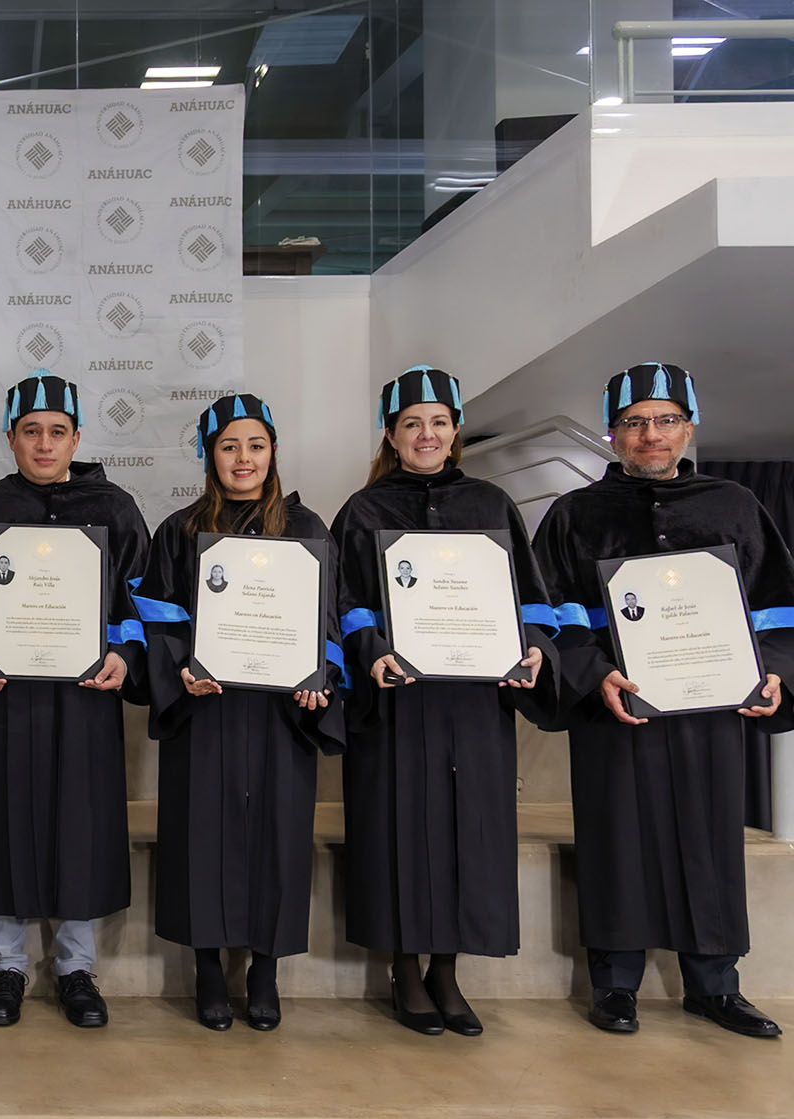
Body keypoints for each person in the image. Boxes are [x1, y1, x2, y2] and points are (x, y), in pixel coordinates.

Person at [532, 362, 794, 1038]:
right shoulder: (573, 516)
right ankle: (614, 984)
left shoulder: (734, 506)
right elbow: (547, 619)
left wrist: (772, 674)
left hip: (711, 711)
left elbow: (776, 610)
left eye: (666, 420)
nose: (651, 435)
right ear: (613, 433)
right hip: (620, 710)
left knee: (709, 839)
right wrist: (594, 676)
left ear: (689, 426)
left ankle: (714, 985)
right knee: (617, 839)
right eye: (635, 422)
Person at [329, 365, 558, 1037]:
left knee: (468, 832)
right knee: (399, 828)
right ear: (392, 435)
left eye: (437, 422)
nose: (425, 435)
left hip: (474, 703)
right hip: (399, 703)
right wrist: (372, 652)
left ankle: (447, 972)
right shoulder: (363, 511)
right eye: (410, 424)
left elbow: (532, 601)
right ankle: (405, 967)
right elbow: (342, 606)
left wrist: (535, 645)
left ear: (455, 429)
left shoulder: (491, 505)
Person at [132, 394, 345, 1032]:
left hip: (282, 716)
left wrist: (322, 679)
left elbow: (326, 621)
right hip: (208, 711)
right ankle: (205, 970)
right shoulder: (179, 530)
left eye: (255, 445)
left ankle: (264, 972)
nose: (243, 458)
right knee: (202, 835)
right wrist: (181, 671)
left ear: (273, 450)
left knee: (279, 835)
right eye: (229, 446)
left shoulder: (308, 530)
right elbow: (157, 622)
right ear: (210, 455)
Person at [0, 369, 148, 1029]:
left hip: (86, 700)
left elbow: (137, 605)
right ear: (10, 438)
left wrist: (125, 654)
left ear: (76, 436)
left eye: (56, 432)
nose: (43, 444)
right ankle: (6, 968)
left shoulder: (114, 510)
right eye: (30, 431)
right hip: (10, 699)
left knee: (79, 826)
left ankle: (75, 968)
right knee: (8, 820)